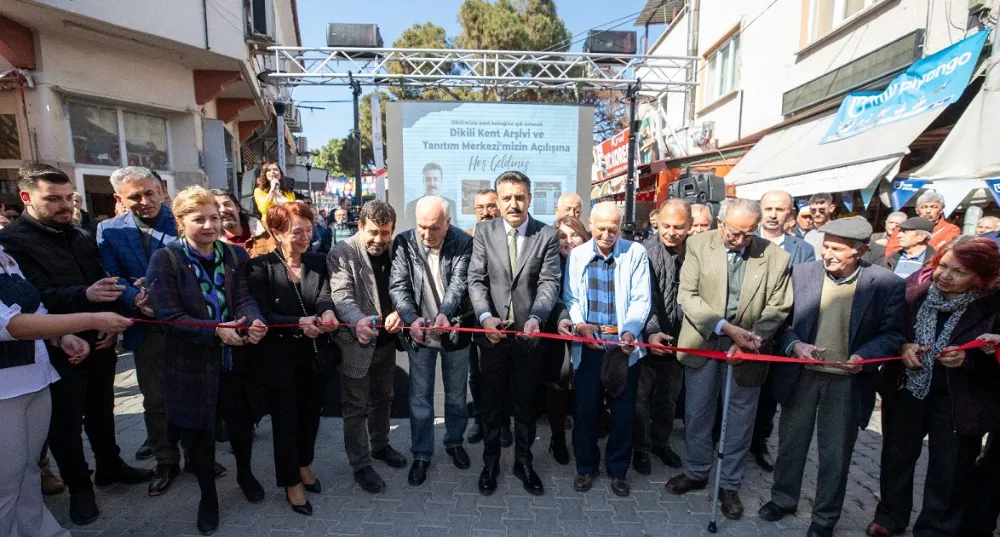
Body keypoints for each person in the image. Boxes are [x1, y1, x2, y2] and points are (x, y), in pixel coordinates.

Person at [0, 164, 152, 525]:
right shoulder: (12, 243)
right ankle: (80, 489)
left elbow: (102, 283)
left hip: (99, 338)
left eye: (68, 198)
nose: (64, 206)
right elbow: (32, 299)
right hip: (52, 347)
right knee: (65, 423)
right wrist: (85, 298)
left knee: (103, 408)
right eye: (53, 199)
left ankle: (110, 466)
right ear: (26, 198)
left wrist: (112, 321)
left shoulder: (81, 235)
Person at [759, 217, 906, 537]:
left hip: (847, 381)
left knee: (835, 454)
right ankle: (782, 499)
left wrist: (864, 357)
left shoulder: (886, 284)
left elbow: (893, 333)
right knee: (790, 444)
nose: (828, 254)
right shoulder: (802, 273)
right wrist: (795, 345)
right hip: (802, 375)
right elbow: (781, 323)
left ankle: (824, 518)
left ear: (862, 251)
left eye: (837, 249)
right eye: (825, 246)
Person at [146, 186, 268, 534]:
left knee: (243, 426)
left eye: (214, 217)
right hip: (191, 367)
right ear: (180, 221)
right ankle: (208, 497)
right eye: (199, 219)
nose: (209, 225)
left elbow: (244, 299)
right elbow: (168, 316)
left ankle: (245, 473)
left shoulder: (235, 256)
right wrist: (215, 330)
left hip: (235, 362)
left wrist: (254, 321)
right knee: (198, 437)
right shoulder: (165, 259)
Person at [666, 198, 792, 521]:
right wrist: (725, 328)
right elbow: (687, 295)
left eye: (749, 234)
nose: (741, 240)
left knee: (739, 418)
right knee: (698, 411)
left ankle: (729, 484)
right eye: (735, 233)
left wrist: (749, 340)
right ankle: (696, 472)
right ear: (721, 223)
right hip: (704, 338)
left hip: (749, 345)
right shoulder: (697, 244)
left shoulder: (776, 257)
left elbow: (778, 307)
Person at [866, 237, 1000, 537]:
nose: (945, 276)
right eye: (942, 265)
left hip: (960, 400)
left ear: (981, 276)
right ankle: (890, 516)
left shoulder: (993, 304)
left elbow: (995, 360)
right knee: (897, 458)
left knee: (949, 469)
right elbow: (892, 328)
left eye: (959, 271)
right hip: (908, 390)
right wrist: (903, 347)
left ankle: (935, 528)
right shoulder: (916, 287)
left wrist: (969, 360)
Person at [0, 244, 133, 537]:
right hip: (3, 393)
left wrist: (61, 337)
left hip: (34, 380)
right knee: (4, 483)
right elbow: (12, 325)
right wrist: (93, 319)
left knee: (27, 472)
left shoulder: (5, 255)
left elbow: (34, 308)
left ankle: (40, 530)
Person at [467, 170, 561, 497]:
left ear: (530, 199)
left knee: (525, 404)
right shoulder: (483, 231)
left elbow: (549, 283)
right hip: (491, 337)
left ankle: (524, 461)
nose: (513, 204)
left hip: (528, 337)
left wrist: (537, 316)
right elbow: (476, 281)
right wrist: (484, 317)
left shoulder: (546, 235)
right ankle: (490, 462)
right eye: (506, 197)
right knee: (492, 405)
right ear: (497, 200)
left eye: (519, 197)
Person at [248, 202, 339, 516]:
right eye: (296, 231)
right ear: (276, 233)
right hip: (279, 358)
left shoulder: (318, 260)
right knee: (286, 422)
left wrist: (327, 313)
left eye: (309, 230)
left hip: (314, 357)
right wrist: (298, 324)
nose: (305, 237)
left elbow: (327, 294)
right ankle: (290, 481)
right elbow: (264, 313)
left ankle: (303, 463)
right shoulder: (260, 267)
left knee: (311, 415)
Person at [97, 166, 183, 496]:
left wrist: (161, 294)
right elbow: (111, 274)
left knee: (193, 393)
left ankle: (198, 456)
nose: (144, 201)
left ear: (162, 189)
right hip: (145, 329)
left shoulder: (182, 220)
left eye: (150, 193)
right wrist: (137, 298)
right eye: (135, 196)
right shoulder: (108, 230)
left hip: (186, 323)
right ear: (120, 199)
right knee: (156, 399)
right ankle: (166, 459)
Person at [558, 202, 650, 498]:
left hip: (623, 346)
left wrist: (630, 331)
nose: (607, 234)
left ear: (621, 226)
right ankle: (586, 468)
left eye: (613, 228)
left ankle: (618, 470)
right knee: (586, 411)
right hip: (589, 344)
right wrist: (580, 325)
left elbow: (641, 299)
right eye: (601, 228)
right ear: (591, 224)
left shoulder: (635, 253)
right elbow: (570, 296)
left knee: (623, 413)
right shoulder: (579, 255)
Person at [389, 196, 474, 486]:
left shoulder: (463, 241)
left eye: (434, 228)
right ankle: (422, 453)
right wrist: (412, 319)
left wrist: (444, 314)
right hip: (419, 333)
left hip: (454, 330)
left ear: (447, 223)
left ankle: (454, 442)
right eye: (421, 227)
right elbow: (399, 285)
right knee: (420, 399)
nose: (426, 234)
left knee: (455, 396)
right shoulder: (404, 242)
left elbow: (459, 283)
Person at [328, 200, 407, 494]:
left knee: (384, 399)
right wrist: (359, 322)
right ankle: (360, 464)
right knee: (355, 407)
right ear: (360, 226)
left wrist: (401, 311)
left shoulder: (395, 250)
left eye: (385, 233)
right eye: (373, 232)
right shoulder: (342, 252)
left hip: (386, 343)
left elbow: (404, 288)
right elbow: (341, 297)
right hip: (355, 344)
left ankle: (381, 445)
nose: (379, 240)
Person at [750, 190, 816, 472]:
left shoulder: (802, 249)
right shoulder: (748, 240)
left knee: (770, 392)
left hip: (785, 328)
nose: (774, 214)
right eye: (769, 208)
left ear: (790, 213)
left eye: (781, 209)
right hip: (750, 325)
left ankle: (760, 441)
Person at [634, 199, 690, 476]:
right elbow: (645, 299)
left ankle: (661, 443)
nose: (671, 232)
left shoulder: (695, 254)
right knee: (641, 399)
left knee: (668, 398)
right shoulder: (644, 252)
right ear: (657, 223)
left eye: (678, 227)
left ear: (689, 226)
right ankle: (641, 448)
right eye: (666, 226)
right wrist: (652, 331)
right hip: (649, 341)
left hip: (680, 342)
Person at [464, 188, 511, 446]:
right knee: (476, 375)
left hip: (504, 319)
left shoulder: (510, 237)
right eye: (480, 207)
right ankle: (479, 419)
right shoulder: (467, 238)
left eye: (491, 205)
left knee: (502, 375)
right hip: (474, 320)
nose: (486, 212)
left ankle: (502, 422)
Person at [543, 216, 590, 466]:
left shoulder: (593, 261)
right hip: (558, 338)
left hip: (588, 336)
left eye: (575, 235)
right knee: (558, 391)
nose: (569, 241)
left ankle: (583, 441)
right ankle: (557, 438)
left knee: (585, 391)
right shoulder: (550, 264)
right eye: (562, 236)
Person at [213, 189, 273, 257]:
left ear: (237, 207)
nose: (223, 210)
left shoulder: (268, 230)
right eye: (216, 207)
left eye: (227, 204)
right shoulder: (214, 246)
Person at [803, 193, 837, 257]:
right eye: (813, 210)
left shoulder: (839, 231)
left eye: (822, 210)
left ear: (831, 208)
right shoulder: (807, 235)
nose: (817, 214)